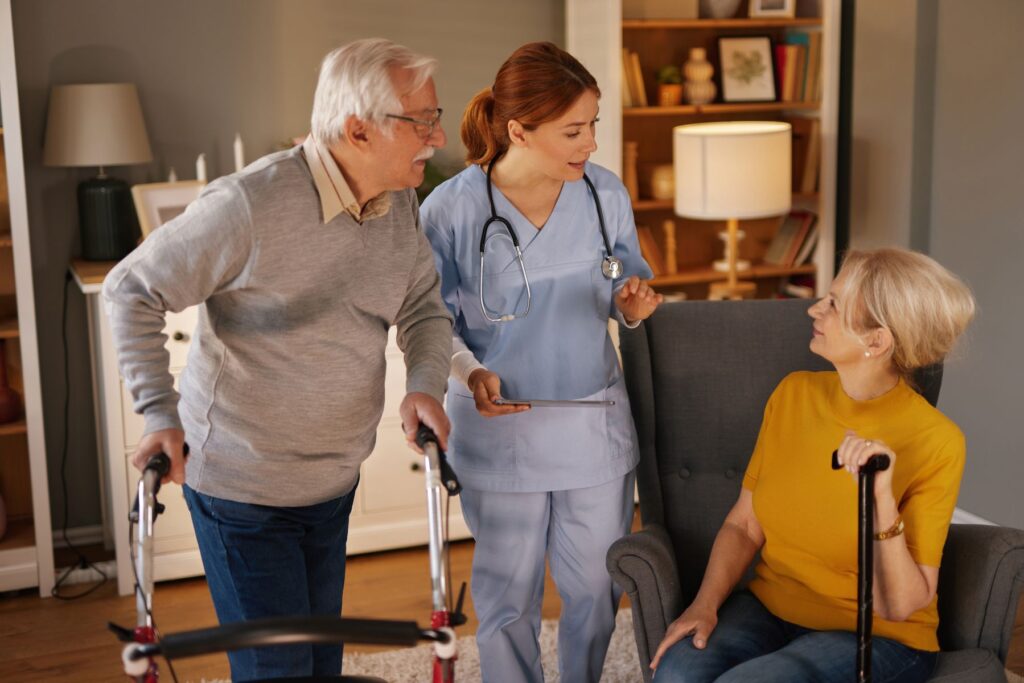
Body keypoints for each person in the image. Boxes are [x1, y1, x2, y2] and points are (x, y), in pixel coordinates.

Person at [103, 38, 452, 681]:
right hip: (244, 490)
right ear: (359, 130)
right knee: (279, 670)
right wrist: (158, 412)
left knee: (318, 663)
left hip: (332, 482)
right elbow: (131, 289)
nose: (438, 136)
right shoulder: (250, 203)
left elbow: (424, 307)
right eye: (421, 120)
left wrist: (425, 383)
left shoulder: (398, 202)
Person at [420, 42, 663, 683]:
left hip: (590, 421)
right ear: (518, 131)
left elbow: (625, 285)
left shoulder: (604, 194)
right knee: (507, 595)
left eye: (592, 126)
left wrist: (631, 305)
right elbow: (427, 321)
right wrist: (469, 370)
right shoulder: (450, 209)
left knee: (595, 588)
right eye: (573, 131)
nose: (590, 144)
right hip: (500, 425)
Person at [650, 248, 976, 683]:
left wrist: (880, 498)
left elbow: (898, 606)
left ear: (876, 342)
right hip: (770, 610)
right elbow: (744, 525)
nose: (814, 309)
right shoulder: (793, 395)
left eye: (834, 305)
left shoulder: (938, 441)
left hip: (877, 637)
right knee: (676, 674)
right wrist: (703, 605)